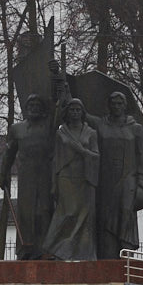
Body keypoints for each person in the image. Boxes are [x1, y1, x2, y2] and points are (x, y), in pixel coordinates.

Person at [89, 91, 143, 260]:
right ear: (109, 106)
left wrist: (142, 179)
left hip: (127, 179)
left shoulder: (135, 128)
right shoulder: (101, 125)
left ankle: (126, 253)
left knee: (125, 214)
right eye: (113, 103)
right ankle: (107, 256)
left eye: (119, 103)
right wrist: (62, 85)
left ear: (125, 106)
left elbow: (141, 156)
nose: (116, 106)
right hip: (105, 180)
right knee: (106, 218)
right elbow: (80, 112)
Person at [0, 94, 56, 259]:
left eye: (38, 105)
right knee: (26, 212)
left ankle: (46, 249)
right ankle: (25, 249)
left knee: (45, 210)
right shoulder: (17, 129)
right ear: (26, 108)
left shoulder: (48, 127)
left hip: (46, 174)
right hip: (26, 176)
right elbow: (8, 153)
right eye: (31, 105)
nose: (34, 108)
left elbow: (60, 108)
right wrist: (4, 174)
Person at [42, 99, 99, 260]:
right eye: (72, 110)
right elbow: (55, 160)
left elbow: (96, 156)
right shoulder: (61, 133)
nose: (75, 113)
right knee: (66, 213)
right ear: (67, 113)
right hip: (66, 177)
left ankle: (83, 250)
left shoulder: (91, 133)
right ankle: (56, 247)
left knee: (84, 215)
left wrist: (83, 151)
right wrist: (54, 183)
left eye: (78, 110)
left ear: (82, 112)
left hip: (84, 178)